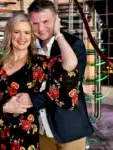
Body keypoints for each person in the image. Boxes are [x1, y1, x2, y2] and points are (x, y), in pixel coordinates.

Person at [0, 11, 78, 150]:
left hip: (24, 136)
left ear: (32, 36)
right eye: (17, 32)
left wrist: (57, 33)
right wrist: (4, 107)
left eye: (27, 33)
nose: (22, 37)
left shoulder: (39, 63)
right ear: (9, 34)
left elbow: (70, 64)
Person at [15, 1, 94, 150]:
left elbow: (67, 87)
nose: (41, 28)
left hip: (69, 128)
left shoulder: (73, 45)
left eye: (46, 21)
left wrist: (32, 100)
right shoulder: (28, 46)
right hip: (41, 128)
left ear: (56, 20)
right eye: (35, 23)